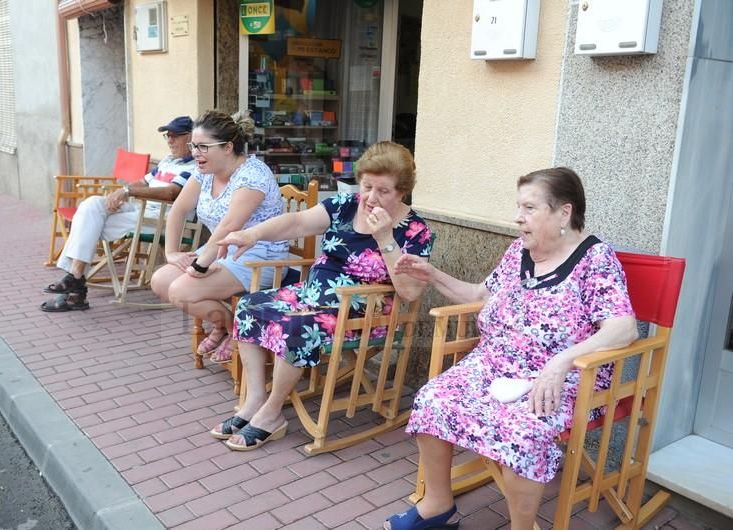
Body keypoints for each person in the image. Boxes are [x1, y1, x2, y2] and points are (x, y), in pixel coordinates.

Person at [382, 167, 638, 530]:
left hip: (554, 379)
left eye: (529, 208)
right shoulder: (520, 250)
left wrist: (562, 361)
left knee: (523, 434)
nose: (518, 217)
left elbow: (623, 326)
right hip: (494, 363)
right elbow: (480, 294)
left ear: (563, 212)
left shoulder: (595, 260)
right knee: (432, 399)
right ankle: (439, 505)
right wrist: (433, 274)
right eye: (519, 206)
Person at [211, 141, 435, 451]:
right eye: (366, 185)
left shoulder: (415, 231)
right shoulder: (345, 205)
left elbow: (409, 292)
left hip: (363, 312)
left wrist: (384, 236)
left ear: (402, 192)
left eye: (383, 191)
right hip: (311, 296)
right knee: (250, 305)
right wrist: (252, 233)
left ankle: (273, 412)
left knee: (297, 326)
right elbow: (298, 222)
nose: (370, 197)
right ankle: (255, 400)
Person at [150, 110, 289, 363]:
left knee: (182, 291)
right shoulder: (204, 172)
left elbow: (228, 226)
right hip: (219, 250)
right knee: (160, 280)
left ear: (228, 147)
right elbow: (179, 210)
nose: (194, 153)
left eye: (203, 146)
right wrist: (171, 253)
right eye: (193, 145)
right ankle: (228, 325)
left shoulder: (252, 175)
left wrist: (199, 267)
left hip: (258, 255)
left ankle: (234, 329)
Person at [40, 116, 195, 312]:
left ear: (190, 137)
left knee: (89, 224)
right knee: (92, 205)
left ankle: (75, 284)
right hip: (142, 210)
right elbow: (143, 182)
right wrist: (119, 193)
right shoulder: (168, 161)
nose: (170, 140)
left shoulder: (194, 166)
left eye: (175, 136)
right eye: (168, 135)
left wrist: (128, 192)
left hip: (164, 218)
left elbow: (171, 192)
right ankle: (75, 279)